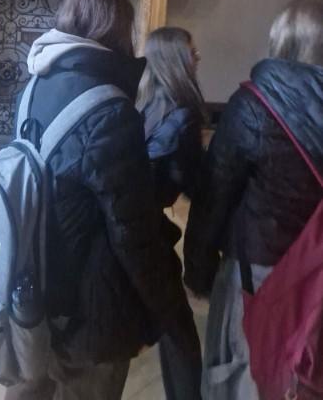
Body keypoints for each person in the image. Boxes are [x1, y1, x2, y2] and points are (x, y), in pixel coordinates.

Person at [6, 0, 192, 400]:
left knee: (31, 386)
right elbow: (132, 230)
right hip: (88, 303)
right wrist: (165, 307)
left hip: (31, 277)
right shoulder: (111, 109)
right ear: (121, 29)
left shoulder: (34, 86)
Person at [184, 0, 323, 400]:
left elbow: (214, 197)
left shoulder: (254, 105)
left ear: (284, 39)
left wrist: (198, 272)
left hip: (258, 275)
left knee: (243, 378)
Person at [138, 26, 205, 400]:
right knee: (179, 330)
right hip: (145, 232)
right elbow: (193, 181)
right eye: (192, 52)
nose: (198, 57)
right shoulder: (183, 114)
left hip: (135, 222)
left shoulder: (141, 101)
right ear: (176, 60)